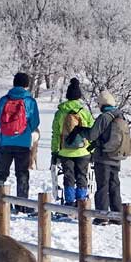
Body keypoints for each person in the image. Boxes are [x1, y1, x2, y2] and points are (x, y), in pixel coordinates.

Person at [68, 90, 127, 224]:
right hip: (116, 156)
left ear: (102, 104)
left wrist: (80, 130)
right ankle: (117, 216)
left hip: (103, 157)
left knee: (102, 186)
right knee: (114, 185)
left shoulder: (105, 117)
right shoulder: (121, 116)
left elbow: (92, 135)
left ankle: (101, 216)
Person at [0, 72, 40, 213]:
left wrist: (8, 130)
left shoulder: (4, 100)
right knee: (22, 173)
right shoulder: (30, 101)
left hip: (5, 142)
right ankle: (22, 204)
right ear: (26, 84)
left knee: (1, 172)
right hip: (23, 143)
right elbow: (35, 122)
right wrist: (25, 130)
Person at [51, 78, 94, 206]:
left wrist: (55, 152)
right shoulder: (84, 112)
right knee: (82, 175)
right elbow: (92, 132)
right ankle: (81, 202)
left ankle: (69, 202)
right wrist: (92, 149)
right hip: (83, 151)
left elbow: (56, 134)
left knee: (68, 176)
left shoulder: (60, 113)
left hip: (65, 151)